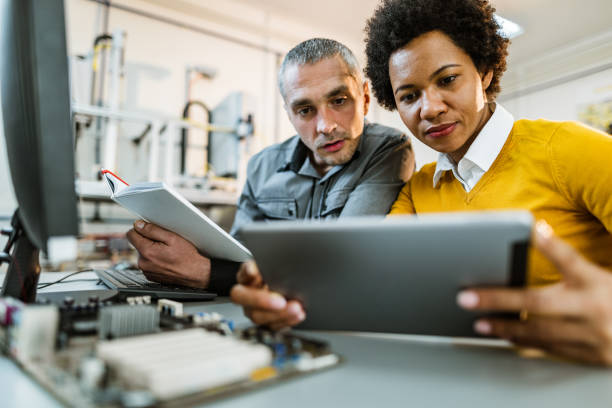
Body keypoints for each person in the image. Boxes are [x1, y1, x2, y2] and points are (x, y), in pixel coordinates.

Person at [363, 0, 612, 364]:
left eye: (447, 80)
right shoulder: (419, 189)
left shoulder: (570, 150)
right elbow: (375, 270)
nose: (429, 108)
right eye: (409, 96)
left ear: (484, 72)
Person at [127, 38, 415, 298]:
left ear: (365, 97)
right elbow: (236, 254)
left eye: (339, 101)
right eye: (305, 110)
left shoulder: (388, 150)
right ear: (289, 114)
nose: (326, 126)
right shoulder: (262, 166)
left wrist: (205, 273)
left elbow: (340, 265)